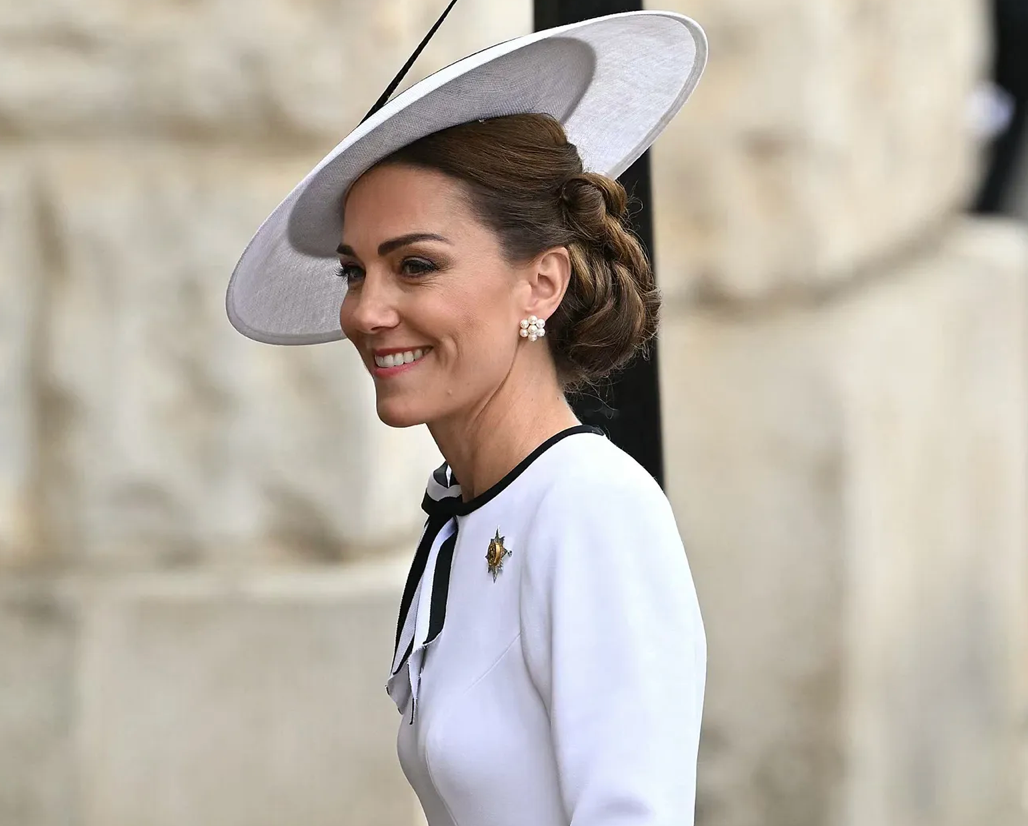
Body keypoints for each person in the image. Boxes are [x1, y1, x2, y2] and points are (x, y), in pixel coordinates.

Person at [227, 10, 708, 826]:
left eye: (416, 266)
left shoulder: (589, 507)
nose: (368, 311)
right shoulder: (465, 511)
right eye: (355, 271)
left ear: (541, 285)